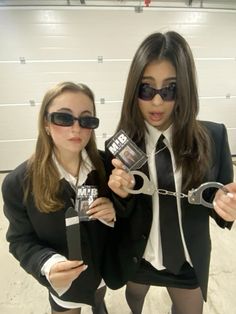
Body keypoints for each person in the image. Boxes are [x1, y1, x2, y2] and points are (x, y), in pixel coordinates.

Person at [104, 31, 236, 314]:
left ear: (185, 89)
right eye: (146, 89)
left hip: (186, 259)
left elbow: (219, 199)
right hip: (141, 256)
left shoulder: (214, 137)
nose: (157, 102)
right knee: (135, 300)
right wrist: (121, 196)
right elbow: (118, 215)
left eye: (171, 89)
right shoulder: (121, 145)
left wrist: (227, 208)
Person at [2, 81, 116, 314]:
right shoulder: (18, 183)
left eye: (86, 120)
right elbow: (20, 240)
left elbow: (133, 215)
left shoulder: (108, 166)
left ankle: (98, 302)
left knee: (98, 295)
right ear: (45, 123)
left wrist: (116, 211)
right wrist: (47, 264)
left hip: (103, 270)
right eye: (64, 118)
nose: (76, 129)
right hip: (65, 286)